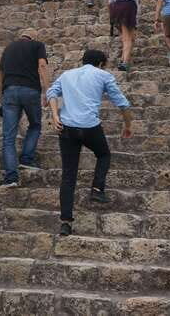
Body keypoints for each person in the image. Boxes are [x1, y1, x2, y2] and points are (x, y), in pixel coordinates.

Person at [47, 50, 132, 236]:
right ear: (101, 63)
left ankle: (66, 222)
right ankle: (97, 188)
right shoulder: (103, 75)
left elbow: (51, 92)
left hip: (66, 127)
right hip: (90, 126)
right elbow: (123, 104)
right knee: (103, 154)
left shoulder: (67, 74)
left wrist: (55, 115)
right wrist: (127, 126)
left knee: (68, 175)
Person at [0, 28, 50, 187]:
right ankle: (26, 158)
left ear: (21, 36)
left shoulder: (8, 48)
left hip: (10, 91)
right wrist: (48, 89)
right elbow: (42, 65)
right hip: (30, 90)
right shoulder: (37, 45)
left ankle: (11, 177)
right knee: (35, 124)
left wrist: (1, 93)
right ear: (33, 37)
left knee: (8, 136)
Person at [108, 0, 156, 71]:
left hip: (116, 9)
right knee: (128, 38)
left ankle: (123, 59)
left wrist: (112, 16)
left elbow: (110, 2)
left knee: (130, 37)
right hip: (128, 8)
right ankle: (125, 63)